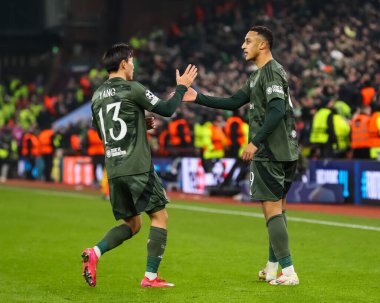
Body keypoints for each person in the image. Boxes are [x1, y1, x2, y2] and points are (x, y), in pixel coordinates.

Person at [183, 26, 299, 285]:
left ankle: (289, 272)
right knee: (276, 211)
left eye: (248, 41)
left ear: (263, 45)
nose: (243, 45)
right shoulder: (259, 75)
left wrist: (255, 142)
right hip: (285, 150)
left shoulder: (270, 72)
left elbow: (278, 110)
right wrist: (198, 97)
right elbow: (234, 101)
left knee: (272, 210)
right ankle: (272, 268)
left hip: (269, 152)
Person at [81, 43, 197, 288]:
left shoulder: (97, 95)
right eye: (132, 62)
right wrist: (181, 87)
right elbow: (166, 109)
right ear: (123, 64)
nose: (133, 66)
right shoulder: (132, 88)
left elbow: (105, 131)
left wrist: (139, 122)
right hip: (137, 166)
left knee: (133, 224)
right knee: (160, 216)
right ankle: (151, 277)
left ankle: (95, 252)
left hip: (113, 170)